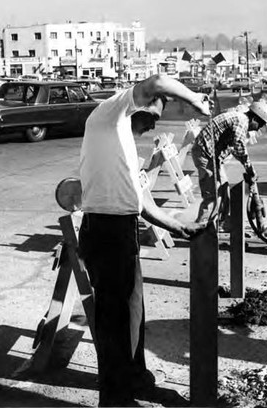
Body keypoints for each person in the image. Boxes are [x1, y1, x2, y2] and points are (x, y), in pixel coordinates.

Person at [78, 74, 211, 407]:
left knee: (132, 312)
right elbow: (160, 80)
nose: (154, 125)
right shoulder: (109, 114)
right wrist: (195, 99)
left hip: (121, 229)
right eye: (155, 113)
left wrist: (177, 227)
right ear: (139, 103)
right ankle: (116, 398)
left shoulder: (122, 141)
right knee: (115, 321)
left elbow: (140, 201)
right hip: (105, 231)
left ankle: (136, 379)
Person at [191, 101, 267, 225]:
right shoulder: (242, 121)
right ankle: (201, 228)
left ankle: (222, 222)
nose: (258, 128)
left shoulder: (239, 119)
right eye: (260, 124)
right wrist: (249, 168)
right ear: (254, 118)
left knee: (224, 188)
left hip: (212, 156)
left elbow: (234, 147)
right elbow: (238, 146)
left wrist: (249, 168)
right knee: (212, 195)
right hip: (205, 154)